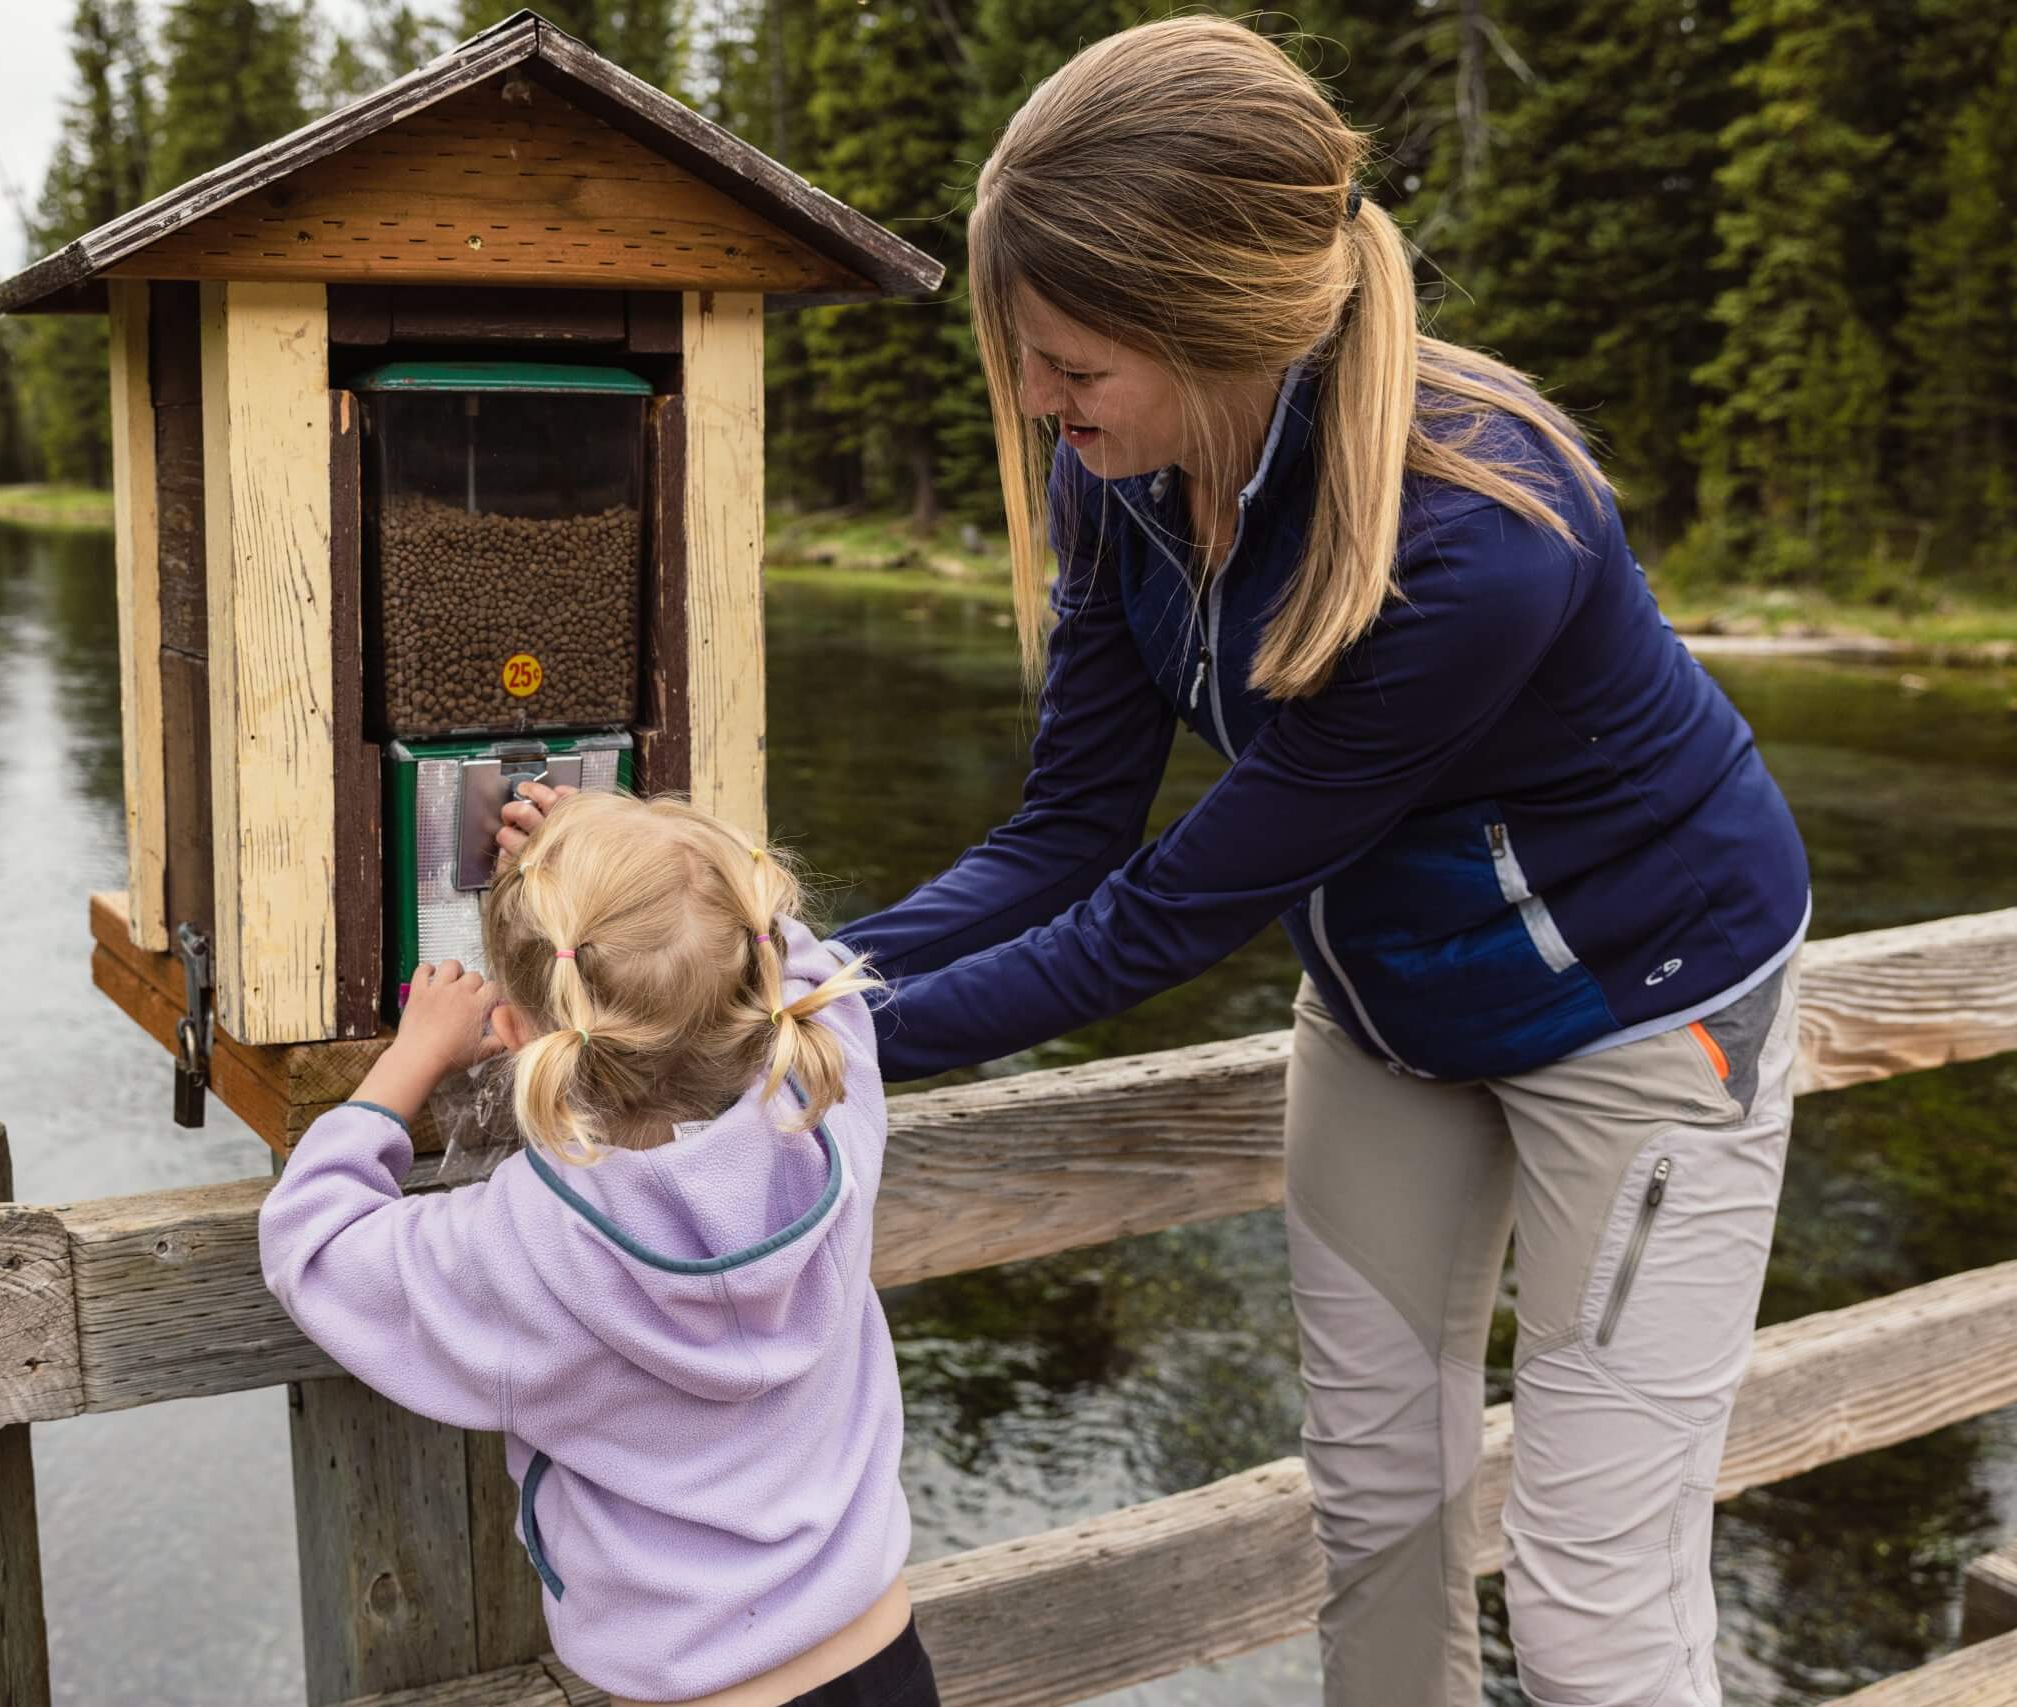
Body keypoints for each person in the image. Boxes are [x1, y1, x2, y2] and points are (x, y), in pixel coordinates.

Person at [508, 17, 1808, 1703]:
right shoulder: (1121, 469)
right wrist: (761, 977)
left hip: (1651, 1011)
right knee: (1381, 1520)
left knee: (1590, 1606)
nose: (1039, 400)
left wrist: (788, 1043)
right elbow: (1066, 836)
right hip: (1390, 1009)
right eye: (1027, 357)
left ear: (1215, 331)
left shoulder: (1480, 537)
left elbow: (1166, 915)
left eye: (1070, 360)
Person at [259, 791, 934, 1707]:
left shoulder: (529, 1248)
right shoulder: (829, 1113)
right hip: (881, 1654)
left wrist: (411, 1059)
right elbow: (798, 955)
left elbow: (314, 1239)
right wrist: (640, 846)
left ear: (513, 1035)